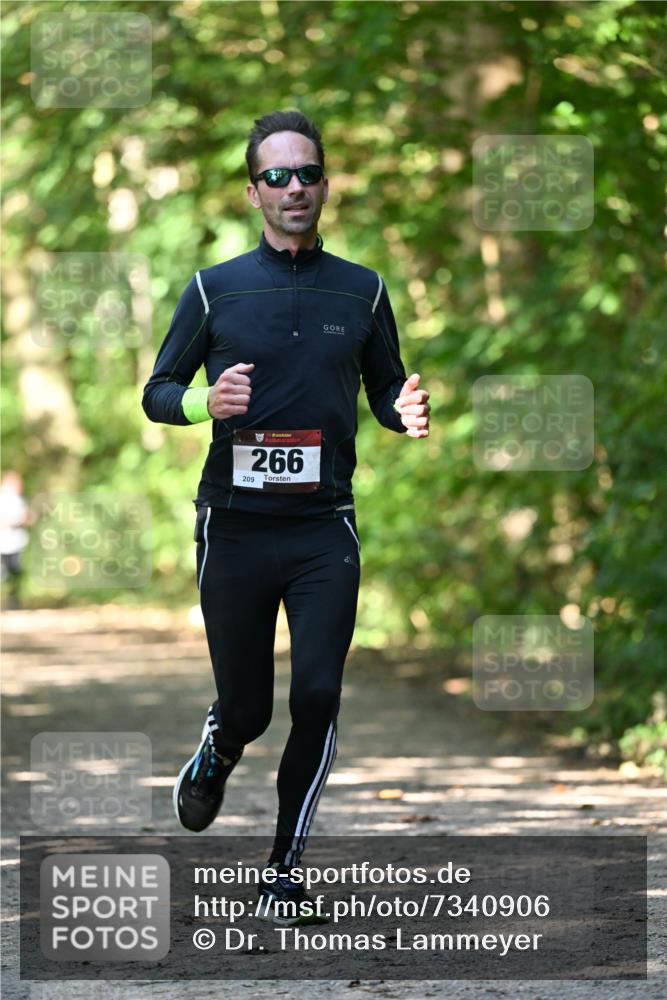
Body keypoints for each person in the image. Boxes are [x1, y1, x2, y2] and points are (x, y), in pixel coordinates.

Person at [142, 110, 430, 925]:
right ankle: (219, 745)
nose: (293, 187)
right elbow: (158, 391)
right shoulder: (215, 288)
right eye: (276, 176)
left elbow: (384, 387)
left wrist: (402, 411)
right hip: (233, 527)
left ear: (325, 185)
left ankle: (283, 868)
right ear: (253, 193)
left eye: (306, 173)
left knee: (318, 694)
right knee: (250, 709)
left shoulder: (363, 289)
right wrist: (203, 402)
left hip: (321, 528)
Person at [0, 470, 31, 610]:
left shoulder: (20, 500)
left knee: (15, 571)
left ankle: (14, 602)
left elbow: (27, 517)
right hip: (3, 541)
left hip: (16, 542)